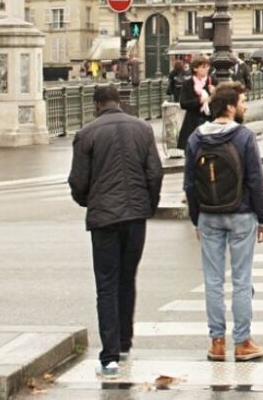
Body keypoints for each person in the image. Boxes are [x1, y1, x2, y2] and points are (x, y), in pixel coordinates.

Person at [68, 85, 163, 378]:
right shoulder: (143, 129)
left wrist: (91, 202)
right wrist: (148, 204)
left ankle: (109, 357)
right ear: (119, 102)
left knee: (106, 284)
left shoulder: (86, 134)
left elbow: (77, 181)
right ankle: (124, 341)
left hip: (104, 219)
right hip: (136, 216)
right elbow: (155, 173)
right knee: (127, 277)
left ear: (97, 105)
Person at [184, 82, 263, 363]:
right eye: (243, 102)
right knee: (242, 278)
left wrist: (197, 219)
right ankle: (243, 342)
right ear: (230, 107)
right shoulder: (244, 136)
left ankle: (217, 342)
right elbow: (255, 180)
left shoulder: (197, 137)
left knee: (213, 280)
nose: (245, 106)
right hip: (241, 211)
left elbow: (189, 184)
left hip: (209, 213)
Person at [177, 56, 217, 151]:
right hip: (192, 123)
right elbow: (183, 103)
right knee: (192, 151)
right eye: (203, 67)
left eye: (207, 67)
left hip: (209, 121)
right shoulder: (188, 84)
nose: (206, 69)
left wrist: (215, 93)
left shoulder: (212, 82)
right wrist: (199, 101)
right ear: (195, 68)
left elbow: (220, 102)